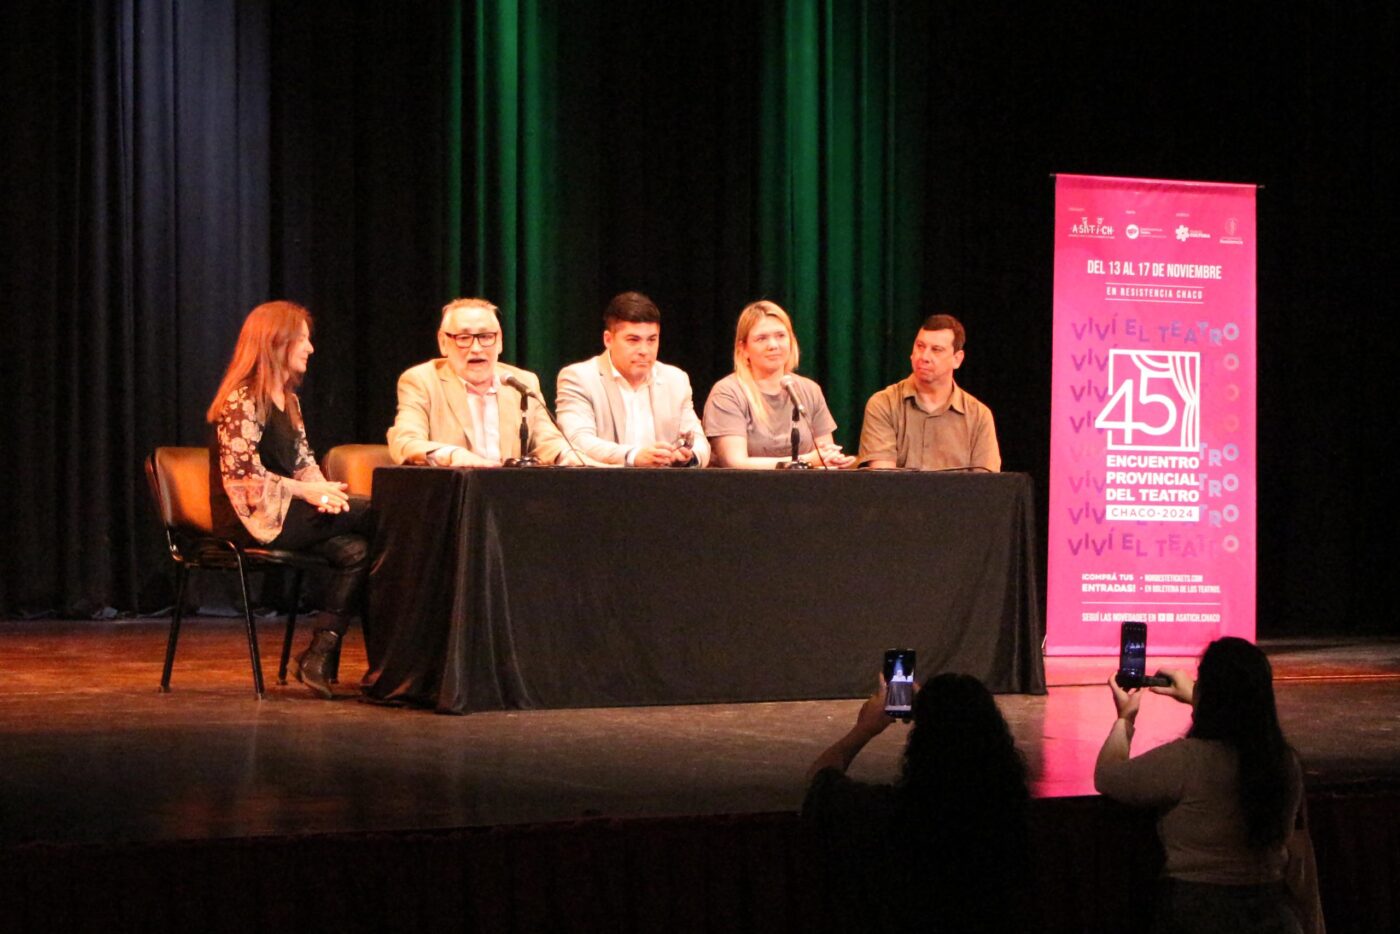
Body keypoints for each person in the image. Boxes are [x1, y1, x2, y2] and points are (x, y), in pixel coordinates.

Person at [207, 300, 372, 699]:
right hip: (250, 517)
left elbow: (304, 463)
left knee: (358, 551)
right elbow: (243, 477)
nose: (310, 348)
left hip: (288, 513)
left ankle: (318, 655)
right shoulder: (242, 399)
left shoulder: (290, 401)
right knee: (376, 510)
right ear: (276, 342)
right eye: (303, 339)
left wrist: (325, 494)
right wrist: (308, 492)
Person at [1094, 637, 1304, 933]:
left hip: (1197, 913)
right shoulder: (1284, 762)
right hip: (1273, 912)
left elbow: (1107, 776)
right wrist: (1199, 697)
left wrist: (1125, 719)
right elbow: (1242, 715)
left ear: (1207, 692)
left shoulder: (1188, 761)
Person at [803, 673, 1033, 931]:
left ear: (920, 745)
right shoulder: (1008, 818)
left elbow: (818, 782)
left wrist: (865, 728)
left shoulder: (893, 815)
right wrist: (934, 707)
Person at [387, 298, 579, 467]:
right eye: (464, 338)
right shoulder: (422, 381)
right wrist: (453, 455)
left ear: (500, 341)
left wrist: (568, 455)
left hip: (510, 491)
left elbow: (548, 441)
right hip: (454, 492)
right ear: (443, 342)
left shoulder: (522, 382)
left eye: (486, 337)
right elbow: (405, 441)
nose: (476, 348)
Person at [555, 291, 709, 467]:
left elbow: (699, 441)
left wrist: (688, 456)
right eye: (633, 340)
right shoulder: (579, 378)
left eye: (651, 340)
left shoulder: (676, 380)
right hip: (604, 482)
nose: (644, 350)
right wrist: (634, 456)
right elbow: (578, 441)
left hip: (665, 482)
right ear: (608, 340)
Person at [702, 300, 855, 468]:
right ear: (743, 348)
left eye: (780, 336)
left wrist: (832, 460)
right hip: (745, 484)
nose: (773, 345)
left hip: (805, 484)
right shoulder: (727, 392)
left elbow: (824, 453)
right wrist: (806, 460)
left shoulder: (810, 390)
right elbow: (735, 462)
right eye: (761, 339)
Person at [857, 314, 1000, 471]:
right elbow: (883, 479)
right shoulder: (884, 404)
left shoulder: (979, 416)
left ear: (957, 359)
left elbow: (985, 484)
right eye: (920, 346)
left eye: (936, 350)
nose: (924, 357)